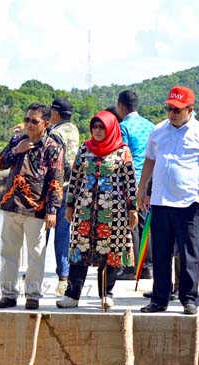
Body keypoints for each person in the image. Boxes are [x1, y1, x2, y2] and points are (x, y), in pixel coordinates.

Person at [138, 86, 199, 315]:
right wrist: (142, 189)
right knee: (161, 253)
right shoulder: (158, 130)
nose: (172, 113)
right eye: (169, 108)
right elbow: (149, 161)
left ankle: (189, 298)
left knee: (188, 253)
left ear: (190, 110)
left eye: (177, 109)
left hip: (188, 202)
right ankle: (159, 299)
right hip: (160, 200)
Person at [56, 111, 138, 309]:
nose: (98, 131)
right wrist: (70, 204)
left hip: (114, 213)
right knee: (79, 253)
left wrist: (132, 209)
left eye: (102, 127)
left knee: (110, 253)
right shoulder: (85, 148)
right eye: (95, 126)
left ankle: (106, 294)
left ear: (110, 128)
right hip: (85, 210)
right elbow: (75, 178)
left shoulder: (122, 151)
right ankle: (72, 296)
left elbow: (130, 183)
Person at [0, 103, 64, 310]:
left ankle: (32, 295)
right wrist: (17, 150)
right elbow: (0, 163)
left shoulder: (53, 146)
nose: (29, 124)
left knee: (36, 254)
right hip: (11, 204)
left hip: (36, 208)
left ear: (46, 123)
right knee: (8, 252)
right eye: (27, 120)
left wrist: (52, 210)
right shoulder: (17, 139)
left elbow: (56, 180)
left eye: (34, 121)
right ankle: (8, 294)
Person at [116, 89, 155, 281]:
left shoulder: (123, 127)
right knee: (145, 223)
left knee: (131, 223)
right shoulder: (151, 126)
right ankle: (146, 267)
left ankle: (131, 268)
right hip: (148, 180)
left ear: (121, 105)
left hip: (130, 179)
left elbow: (121, 155)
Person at [48, 97, 80, 296]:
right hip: (70, 187)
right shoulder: (74, 130)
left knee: (44, 232)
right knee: (63, 232)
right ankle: (64, 273)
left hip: (55, 187)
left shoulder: (54, 132)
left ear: (56, 113)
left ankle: (37, 270)